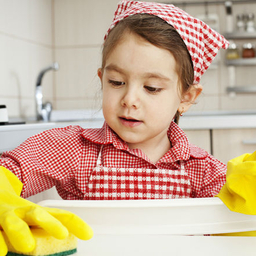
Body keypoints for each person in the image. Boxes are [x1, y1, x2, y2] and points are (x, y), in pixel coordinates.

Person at [1, 1, 228, 202]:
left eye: (151, 88)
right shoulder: (77, 152)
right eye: (117, 82)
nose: (129, 100)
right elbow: (13, 170)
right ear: (102, 80)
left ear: (186, 97)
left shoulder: (203, 171)